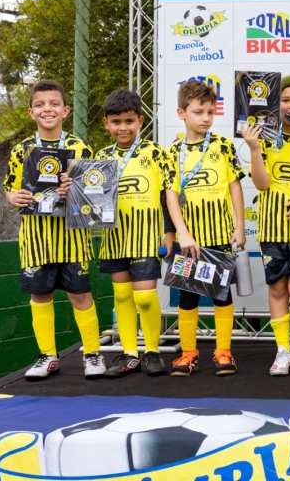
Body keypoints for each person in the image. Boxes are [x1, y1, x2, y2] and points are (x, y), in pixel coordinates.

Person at [2, 80, 105, 380]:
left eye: (54, 104)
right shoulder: (21, 150)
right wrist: (14, 197)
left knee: (80, 295)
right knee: (40, 296)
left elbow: (93, 195)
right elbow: (10, 188)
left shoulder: (80, 148)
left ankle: (92, 353)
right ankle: (48, 356)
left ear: (65, 110)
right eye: (40, 105)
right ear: (31, 112)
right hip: (36, 239)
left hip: (73, 237)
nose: (47, 109)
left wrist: (74, 191)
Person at [165, 81, 246, 377]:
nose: (205, 118)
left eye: (210, 112)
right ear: (181, 113)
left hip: (220, 237)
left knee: (221, 295)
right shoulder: (172, 152)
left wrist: (240, 225)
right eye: (198, 112)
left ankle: (223, 352)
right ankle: (188, 354)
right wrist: (183, 233)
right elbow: (171, 195)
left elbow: (235, 187)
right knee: (188, 297)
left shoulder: (223, 145)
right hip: (189, 242)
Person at [93, 89, 173, 378]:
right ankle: (129, 354)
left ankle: (152, 351)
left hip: (146, 238)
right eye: (116, 122)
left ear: (140, 121)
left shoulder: (155, 152)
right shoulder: (101, 157)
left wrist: (169, 233)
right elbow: (93, 198)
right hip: (114, 239)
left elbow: (168, 196)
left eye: (129, 121)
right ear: (106, 124)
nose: (123, 127)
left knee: (146, 297)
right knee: (123, 297)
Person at [243, 76, 290, 378]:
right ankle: (282, 349)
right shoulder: (262, 139)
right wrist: (253, 148)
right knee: (277, 288)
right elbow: (261, 184)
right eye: (285, 100)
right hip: (270, 229)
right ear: (275, 105)